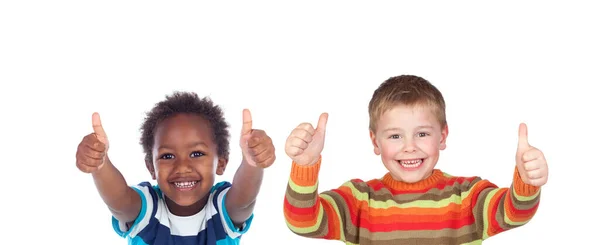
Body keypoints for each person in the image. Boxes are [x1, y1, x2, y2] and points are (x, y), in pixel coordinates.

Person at [282, 75, 548, 244]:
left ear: (442, 136)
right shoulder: (359, 199)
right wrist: (305, 167)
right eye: (395, 136)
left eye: (422, 133)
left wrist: (526, 182)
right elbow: (304, 222)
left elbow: (512, 213)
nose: (409, 147)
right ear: (375, 142)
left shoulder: (467, 195)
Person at [76, 91, 275, 244]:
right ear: (151, 168)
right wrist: (100, 165)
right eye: (167, 156)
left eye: (196, 154)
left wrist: (252, 163)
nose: (182, 166)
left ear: (221, 163)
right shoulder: (149, 207)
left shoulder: (220, 209)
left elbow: (243, 201)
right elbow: (119, 201)